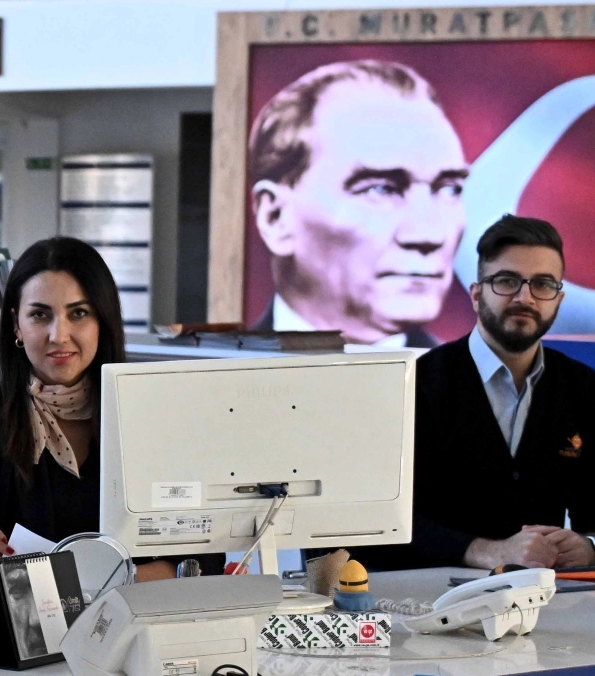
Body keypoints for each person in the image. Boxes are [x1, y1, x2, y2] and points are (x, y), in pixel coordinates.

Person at [0, 237, 186, 605]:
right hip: (22, 631)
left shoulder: (148, 415)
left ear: (103, 322)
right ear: (16, 325)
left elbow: (196, 560)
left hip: (133, 626)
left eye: (79, 313)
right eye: (40, 315)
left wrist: (60, 585)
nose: (58, 335)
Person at [367, 215, 595, 571]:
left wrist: (589, 547)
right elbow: (372, 524)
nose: (525, 297)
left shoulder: (584, 388)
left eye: (542, 284)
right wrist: (489, 551)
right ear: (476, 295)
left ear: (558, 299)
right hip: (425, 595)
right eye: (506, 281)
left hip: (548, 596)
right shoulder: (412, 386)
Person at [248, 60, 469, 347]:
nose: (429, 235)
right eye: (381, 189)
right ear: (275, 217)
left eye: (449, 189)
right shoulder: (220, 373)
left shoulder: (477, 375)